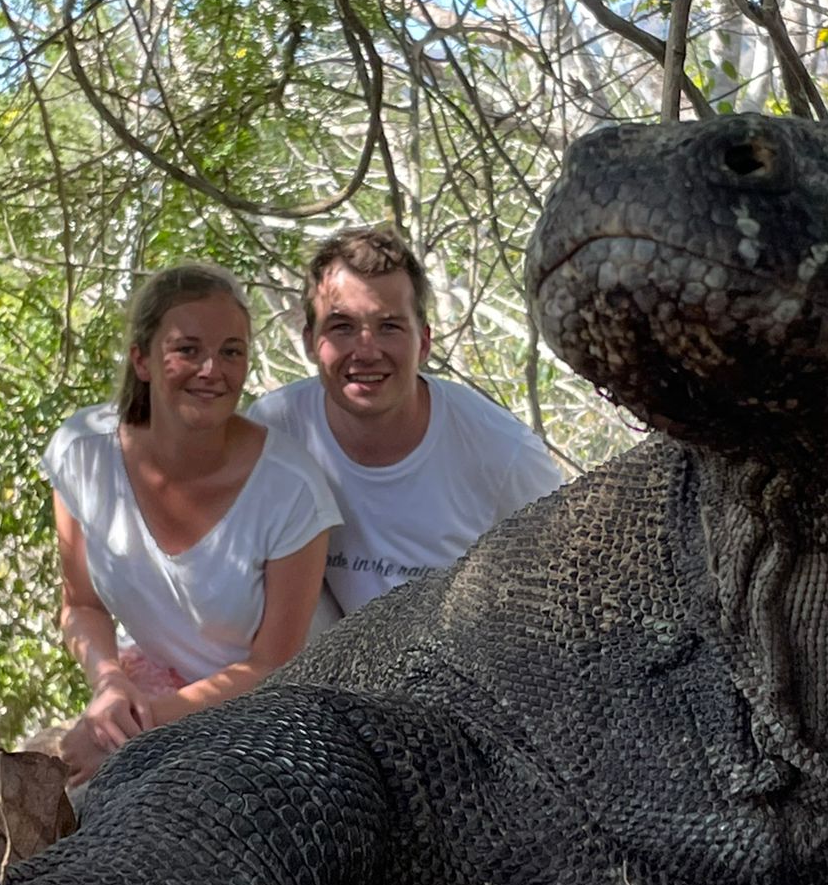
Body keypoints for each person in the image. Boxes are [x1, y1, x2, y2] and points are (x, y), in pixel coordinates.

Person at [38, 262, 342, 783]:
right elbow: (80, 604)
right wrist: (109, 684)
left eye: (231, 351)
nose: (211, 369)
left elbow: (274, 664)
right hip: (152, 688)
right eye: (187, 349)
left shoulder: (292, 489)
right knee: (28, 794)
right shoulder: (83, 453)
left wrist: (139, 727)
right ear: (143, 360)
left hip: (285, 714)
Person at [248, 226, 564, 616]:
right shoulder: (275, 429)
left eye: (389, 327)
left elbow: (567, 578)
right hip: (327, 657)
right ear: (311, 341)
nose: (366, 351)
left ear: (424, 342)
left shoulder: (502, 452)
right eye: (342, 327)